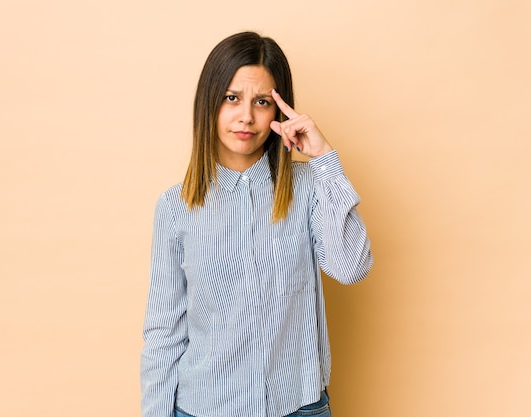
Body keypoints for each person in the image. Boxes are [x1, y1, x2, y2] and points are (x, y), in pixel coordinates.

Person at [140, 31, 373, 417]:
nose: (246, 116)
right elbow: (163, 332)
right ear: (209, 103)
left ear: (279, 112)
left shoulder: (310, 187)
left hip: (298, 407)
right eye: (232, 98)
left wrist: (324, 158)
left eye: (262, 102)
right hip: (205, 408)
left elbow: (351, 267)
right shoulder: (174, 207)